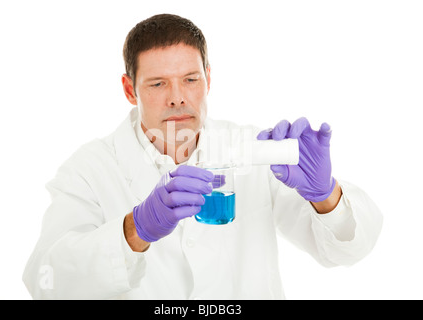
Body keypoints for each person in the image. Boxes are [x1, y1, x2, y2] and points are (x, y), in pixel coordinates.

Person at [22, 13, 383, 299]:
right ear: (130, 89)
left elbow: (347, 252)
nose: (178, 97)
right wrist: (135, 229)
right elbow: (46, 282)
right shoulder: (88, 169)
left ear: (209, 78)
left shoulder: (253, 148)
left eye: (191, 80)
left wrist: (325, 196)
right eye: (158, 83)